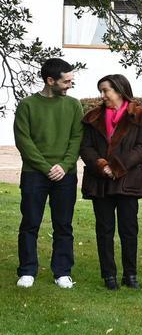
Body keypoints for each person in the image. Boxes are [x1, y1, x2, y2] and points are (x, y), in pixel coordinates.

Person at [14, 58, 82, 289]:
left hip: (66, 174)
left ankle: (62, 272)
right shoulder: (27, 105)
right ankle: (27, 271)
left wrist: (64, 166)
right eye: (66, 81)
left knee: (63, 225)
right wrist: (46, 168)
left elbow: (76, 139)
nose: (70, 85)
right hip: (34, 174)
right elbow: (24, 141)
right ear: (50, 81)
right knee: (30, 223)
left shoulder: (74, 105)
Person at [80, 74, 142, 289]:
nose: (102, 95)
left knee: (129, 229)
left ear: (119, 91)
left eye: (106, 90)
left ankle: (130, 275)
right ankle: (108, 275)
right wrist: (103, 166)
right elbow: (86, 148)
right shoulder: (92, 117)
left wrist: (117, 167)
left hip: (128, 179)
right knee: (104, 229)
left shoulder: (139, 115)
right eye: (101, 90)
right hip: (100, 180)